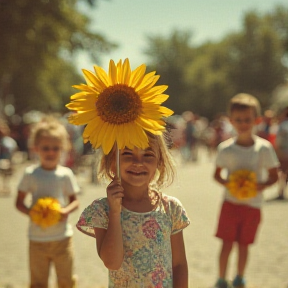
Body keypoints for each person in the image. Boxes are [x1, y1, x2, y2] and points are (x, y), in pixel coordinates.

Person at [76, 130, 190, 287]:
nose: (138, 162)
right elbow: (112, 263)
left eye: (148, 155)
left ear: (160, 161)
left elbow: (178, 265)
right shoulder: (102, 210)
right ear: (112, 161)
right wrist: (115, 212)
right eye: (127, 154)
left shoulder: (171, 208)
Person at [212, 93, 279, 288]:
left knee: (244, 245)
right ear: (231, 121)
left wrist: (261, 186)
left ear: (257, 120)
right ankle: (221, 278)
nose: (243, 124)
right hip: (230, 203)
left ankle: (240, 277)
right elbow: (216, 175)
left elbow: (274, 176)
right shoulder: (225, 149)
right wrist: (231, 183)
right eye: (238, 120)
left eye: (247, 120)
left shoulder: (264, 148)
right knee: (226, 244)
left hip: (253, 205)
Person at [15, 116, 80, 288]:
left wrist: (66, 211)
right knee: (38, 282)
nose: (51, 152)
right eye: (45, 148)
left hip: (63, 239)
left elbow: (75, 201)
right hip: (37, 239)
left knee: (66, 280)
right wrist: (33, 212)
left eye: (56, 148)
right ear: (36, 148)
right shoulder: (30, 174)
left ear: (63, 149)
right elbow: (19, 202)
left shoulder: (65, 174)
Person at [0, 118, 18, 194]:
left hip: (8, 160)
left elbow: (14, 150)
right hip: (1, 160)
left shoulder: (9, 141)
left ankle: (6, 186)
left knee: (7, 175)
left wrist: (13, 161)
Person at [274, 106, 288, 200]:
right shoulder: (282, 124)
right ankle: (282, 191)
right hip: (284, 151)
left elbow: (278, 140)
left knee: (283, 172)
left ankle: (281, 191)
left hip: (283, 151)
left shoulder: (282, 125)